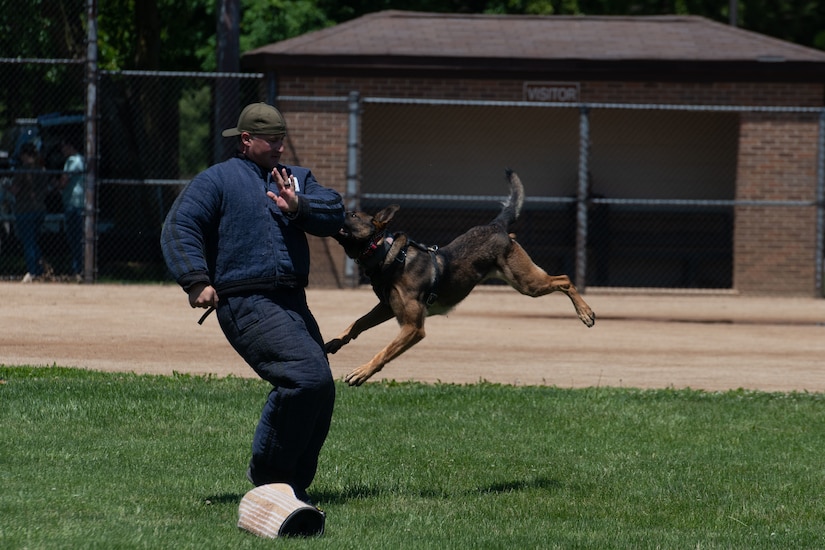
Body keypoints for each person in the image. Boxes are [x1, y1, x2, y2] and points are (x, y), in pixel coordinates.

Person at [160, 102, 345, 504]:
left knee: (321, 388)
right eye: (272, 141)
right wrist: (195, 280)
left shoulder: (296, 179)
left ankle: (292, 486)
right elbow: (180, 225)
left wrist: (299, 207)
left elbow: (334, 210)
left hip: (293, 301)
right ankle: (270, 480)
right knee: (305, 378)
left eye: (283, 140)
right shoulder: (217, 181)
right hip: (246, 301)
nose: (281, 148)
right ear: (246, 140)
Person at [11, 143, 50, 283]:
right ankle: (41, 269)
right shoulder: (42, 170)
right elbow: (46, 190)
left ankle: (33, 271)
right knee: (33, 241)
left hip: (25, 209)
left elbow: (15, 190)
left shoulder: (23, 171)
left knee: (28, 242)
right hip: (40, 208)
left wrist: (6, 186)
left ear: (24, 155)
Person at [59, 138, 85, 280]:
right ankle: (80, 269)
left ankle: (78, 270)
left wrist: (56, 185)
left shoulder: (72, 161)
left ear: (70, 146)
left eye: (63, 147)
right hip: (82, 203)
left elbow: (64, 181)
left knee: (75, 238)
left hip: (73, 204)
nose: (62, 150)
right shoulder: (83, 159)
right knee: (80, 238)